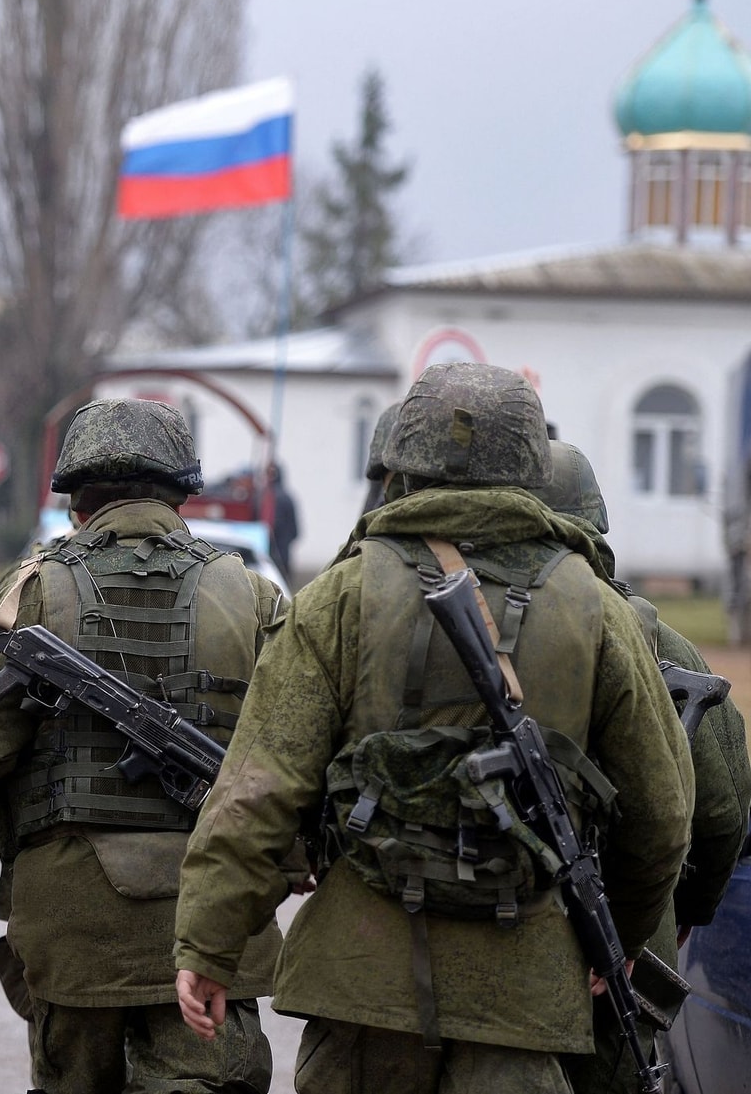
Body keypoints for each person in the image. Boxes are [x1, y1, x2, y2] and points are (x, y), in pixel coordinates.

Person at [175, 362, 694, 1094]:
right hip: (522, 997)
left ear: (406, 457)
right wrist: (618, 936)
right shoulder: (596, 607)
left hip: (361, 988)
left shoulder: (341, 594)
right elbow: (664, 814)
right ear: (528, 462)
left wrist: (209, 940)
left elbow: (259, 786)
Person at [0, 397, 286, 1094]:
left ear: (76, 502)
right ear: (182, 491)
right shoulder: (254, 595)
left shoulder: (36, 588)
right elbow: (297, 763)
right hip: (213, 925)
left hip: (72, 931)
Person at [532, 440, 751, 1094]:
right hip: (622, 938)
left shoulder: (458, 619)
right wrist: (683, 909)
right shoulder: (656, 639)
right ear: (594, 521)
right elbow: (720, 814)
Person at [262, 461, 300, 583]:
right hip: (276, 548)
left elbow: (294, 529)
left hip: (279, 548)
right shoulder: (268, 496)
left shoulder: (272, 497)